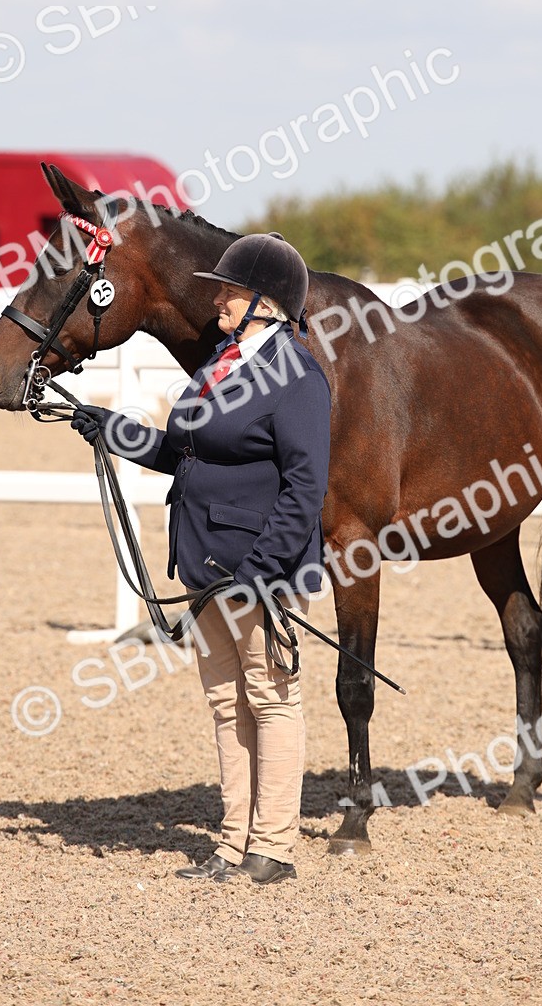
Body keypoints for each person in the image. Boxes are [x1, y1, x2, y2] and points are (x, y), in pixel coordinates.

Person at [71, 232, 331, 886]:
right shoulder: (222, 360)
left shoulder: (297, 377)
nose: (217, 298)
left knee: (271, 699)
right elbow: (182, 451)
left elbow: (306, 485)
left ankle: (273, 846)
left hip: (257, 569)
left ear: (266, 305)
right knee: (225, 701)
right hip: (204, 559)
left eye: (231, 290)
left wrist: (262, 569)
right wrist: (114, 430)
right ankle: (231, 841)